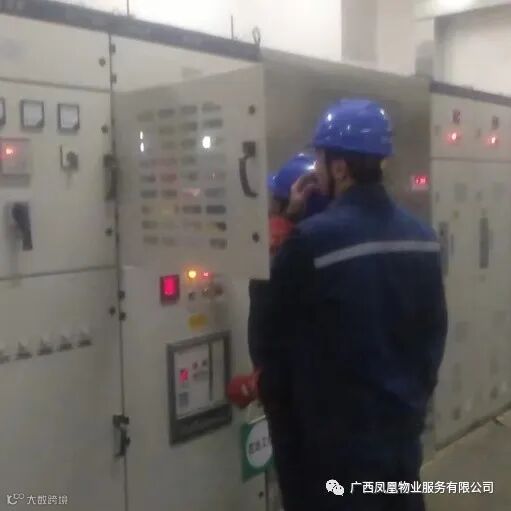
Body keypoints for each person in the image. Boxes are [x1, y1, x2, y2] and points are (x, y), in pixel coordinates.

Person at [263, 99, 448, 510]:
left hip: (336, 460)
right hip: (400, 446)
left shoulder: (310, 242)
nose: (316, 171)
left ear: (340, 168)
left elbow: (270, 346)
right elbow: (434, 337)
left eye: (319, 160)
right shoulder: (423, 238)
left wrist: (285, 222)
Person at [227, 153, 326, 511]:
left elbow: (267, 320)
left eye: (275, 202)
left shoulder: (288, 253)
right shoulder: (337, 247)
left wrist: (261, 383)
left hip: (296, 409)